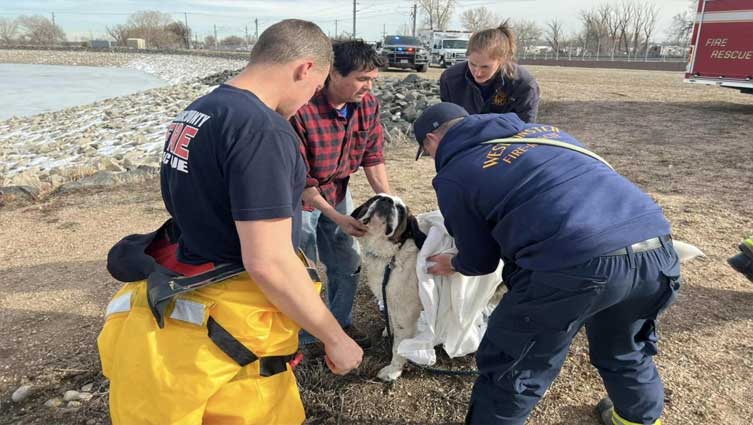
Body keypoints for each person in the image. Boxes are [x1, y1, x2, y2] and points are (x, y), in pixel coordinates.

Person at [97, 20, 362, 425]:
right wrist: (336, 337)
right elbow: (268, 261)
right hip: (235, 320)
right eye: (315, 87)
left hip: (192, 298)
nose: (310, 100)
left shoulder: (199, 111)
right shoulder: (262, 131)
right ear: (305, 69)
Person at [413, 102, 681, 425]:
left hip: (575, 263)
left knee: (515, 371)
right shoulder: (546, 133)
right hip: (655, 245)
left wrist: (455, 263)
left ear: (431, 140)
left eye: (427, 153)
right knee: (626, 347)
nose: (432, 160)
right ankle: (638, 420)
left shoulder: (455, 174)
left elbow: (481, 259)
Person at [290, 40, 390, 348]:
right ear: (333, 73)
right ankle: (305, 337)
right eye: (362, 79)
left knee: (347, 262)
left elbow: (373, 156)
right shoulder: (301, 109)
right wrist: (337, 217)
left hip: (337, 190)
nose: (368, 87)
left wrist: (389, 200)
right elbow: (301, 179)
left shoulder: (367, 105)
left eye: (372, 79)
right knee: (302, 269)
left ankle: (340, 323)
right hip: (298, 199)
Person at [439, 22, 540, 122]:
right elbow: (448, 122)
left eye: (485, 67)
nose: (477, 73)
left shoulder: (524, 85)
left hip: (507, 136)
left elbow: (525, 128)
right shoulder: (450, 79)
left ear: (502, 60)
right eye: (472, 64)